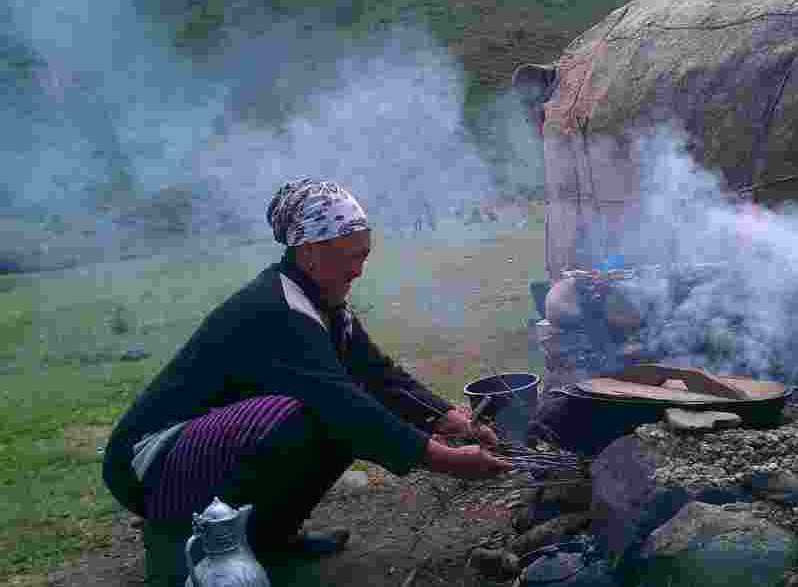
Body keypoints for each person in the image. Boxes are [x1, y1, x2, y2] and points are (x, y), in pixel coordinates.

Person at [103, 179, 511, 585]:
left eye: (364, 255)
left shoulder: (325, 307)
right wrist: (446, 460)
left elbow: (379, 376)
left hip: (202, 446)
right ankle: (176, 547)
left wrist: (453, 421)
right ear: (311, 253)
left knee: (337, 410)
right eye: (350, 257)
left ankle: (270, 540)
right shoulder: (275, 308)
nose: (358, 269)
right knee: (320, 413)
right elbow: (341, 403)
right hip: (149, 461)